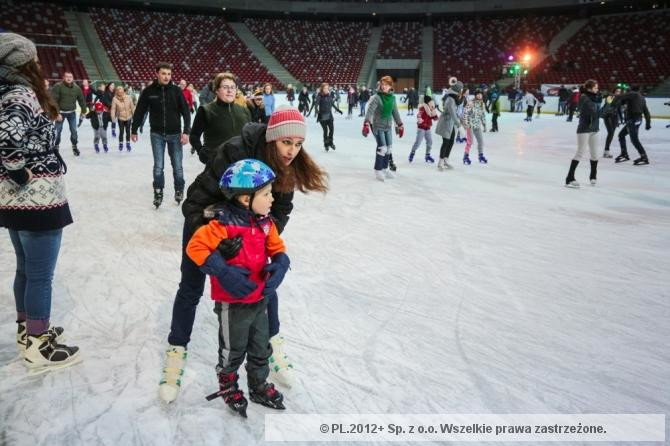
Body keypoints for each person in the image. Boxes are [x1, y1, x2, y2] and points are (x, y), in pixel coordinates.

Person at [160, 107, 328, 403]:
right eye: (286, 142)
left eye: (298, 144)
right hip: (207, 227)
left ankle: (272, 346)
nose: (292, 151)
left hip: (249, 231)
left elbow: (280, 210)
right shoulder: (235, 151)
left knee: (265, 285)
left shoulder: (286, 166)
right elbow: (195, 204)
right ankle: (176, 352)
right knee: (190, 288)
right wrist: (217, 250)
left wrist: (273, 251)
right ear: (272, 138)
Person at [0, 33, 80, 373]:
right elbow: (6, 139)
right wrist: (19, 173)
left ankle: (28, 330)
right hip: (36, 201)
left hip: (20, 202)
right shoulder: (20, 93)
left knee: (26, 270)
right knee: (40, 276)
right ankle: (38, 344)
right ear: (24, 63)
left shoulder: (7, 91)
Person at [186, 159, 289, 417]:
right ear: (245, 198)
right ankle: (228, 385)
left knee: (261, 347)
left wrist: (281, 264)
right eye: (266, 194)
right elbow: (195, 248)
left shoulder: (266, 224)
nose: (272, 199)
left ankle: (258, 385)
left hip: (260, 299)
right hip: (233, 304)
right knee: (233, 350)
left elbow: (278, 249)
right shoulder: (223, 224)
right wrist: (222, 270)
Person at [131, 62, 191, 208]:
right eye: (163, 73)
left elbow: (185, 111)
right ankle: (158, 192)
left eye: (169, 74)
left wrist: (186, 132)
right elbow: (140, 111)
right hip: (156, 134)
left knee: (177, 165)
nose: (166, 77)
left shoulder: (176, 91)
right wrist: (134, 129)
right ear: (157, 73)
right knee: (158, 166)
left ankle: (179, 189)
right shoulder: (148, 91)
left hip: (175, 134)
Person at [189, 72, 251, 164]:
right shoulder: (206, 110)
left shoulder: (244, 110)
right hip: (216, 164)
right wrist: (202, 152)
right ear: (217, 90)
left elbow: (250, 137)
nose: (229, 90)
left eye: (232, 87)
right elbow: (194, 136)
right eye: (225, 87)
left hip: (241, 164)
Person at [362, 76, 404, 181]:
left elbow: (395, 112)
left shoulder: (392, 98)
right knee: (382, 148)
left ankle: (385, 169)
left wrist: (400, 124)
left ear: (390, 86)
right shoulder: (377, 97)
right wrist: (366, 123)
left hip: (388, 126)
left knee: (389, 149)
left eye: (386, 85)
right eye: (382, 85)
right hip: (378, 126)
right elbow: (370, 111)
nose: (384, 87)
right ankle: (378, 170)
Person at [565, 80, 601, 188]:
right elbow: (596, 113)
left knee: (595, 154)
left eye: (597, 88)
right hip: (584, 129)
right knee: (580, 153)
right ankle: (569, 178)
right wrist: (608, 104)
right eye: (595, 88)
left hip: (595, 129)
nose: (597, 89)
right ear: (589, 88)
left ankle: (593, 176)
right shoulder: (584, 97)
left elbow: (601, 114)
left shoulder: (596, 98)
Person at [613, 86, 651, 165]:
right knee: (621, 135)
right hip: (637, 120)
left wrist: (612, 97)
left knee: (634, 140)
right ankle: (624, 154)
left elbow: (619, 96)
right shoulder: (642, 98)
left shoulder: (633, 94)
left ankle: (644, 156)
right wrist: (648, 123)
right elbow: (646, 112)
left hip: (633, 120)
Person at [50, 71, 86, 156]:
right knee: (57, 131)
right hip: (60, 113)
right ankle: (56, 146)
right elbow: (53, 100)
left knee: (74, 130)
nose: (69, 78)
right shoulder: (58, 86)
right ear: (63, 77)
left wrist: (83, 111)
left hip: (72, 113)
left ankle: (74, 146)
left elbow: (81, 100)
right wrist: (57, 113)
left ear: (73, 78)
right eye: (67, 76)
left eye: (70, 76)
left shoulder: (77, 88)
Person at [435, 81, 464, 171]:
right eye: (461, 90)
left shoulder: (454, 98)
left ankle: (446, 160)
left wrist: (461, 120)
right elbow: (452, 113)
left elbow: (455, 112)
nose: (461, 92)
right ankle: (440, 162)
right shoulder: (450, 99)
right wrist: (459, 126)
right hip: (446, 123)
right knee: (446, 142)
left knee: (451, 141)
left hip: (451, 123)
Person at [408, 95, 438, 163]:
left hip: (427, 127)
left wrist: (433, 110)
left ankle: (427, 155)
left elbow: (435, 118)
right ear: (428, 102)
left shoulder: (431, 108)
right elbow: (419, 115)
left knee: (430, 142)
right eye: (430, 101)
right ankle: (412, 153)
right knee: (418, 142)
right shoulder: (423, 108)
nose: (432, 102)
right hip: (421, 128)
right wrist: (419, 119)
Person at [462, 89, 488, 165]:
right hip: (470, 125)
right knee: (470, 142)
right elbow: (465, 113)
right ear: (475, 95)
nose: (480, 95)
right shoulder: (471, 103)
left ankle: (480, 155)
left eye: (481, 94)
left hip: (477, 125)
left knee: (481, 141)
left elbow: (482, 115)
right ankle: (465, 156)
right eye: (478, 94)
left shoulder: (482, 104)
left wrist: (484, 124)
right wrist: (466, 123)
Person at [315, 82, 343, 151]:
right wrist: (317, 112)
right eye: (325, 88)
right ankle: (326, 144)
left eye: (327, 88)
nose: (326, 89)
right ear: (322, 88)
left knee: (332, 130)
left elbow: (332, 104)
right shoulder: (319, 96)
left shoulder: (329, 95)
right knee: (325, 130)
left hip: (329, 115)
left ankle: (330, 142)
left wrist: (338, 110)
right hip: (322, 116)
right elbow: (316, 105)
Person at [110, 85, 135, 152]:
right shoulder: (114, 99)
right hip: (120, 117)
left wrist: (135, 116)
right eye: (119, 92)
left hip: (128, 117)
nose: (120, 93)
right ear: (117, 92)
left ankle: (128, 144)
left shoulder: (128, 97)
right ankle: (121, 144)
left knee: (128, 131)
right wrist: (113, 118)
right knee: (121, 131)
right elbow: (113, 109)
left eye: (121, 92)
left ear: (124, 91)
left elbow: (132, 107)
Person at [600, 86, 622, 158]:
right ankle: (606, 152)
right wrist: (606, 114)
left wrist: (621, 119)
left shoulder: (619, 98)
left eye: (619, 91)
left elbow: (619, 109)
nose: (618, 92)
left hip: (615, 117)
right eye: (617, 91)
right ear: (614, 91)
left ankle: (606, 151)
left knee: (611, 134)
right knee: (610, 133)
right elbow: (607, 106)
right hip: (608, 116)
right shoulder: (610, 97)